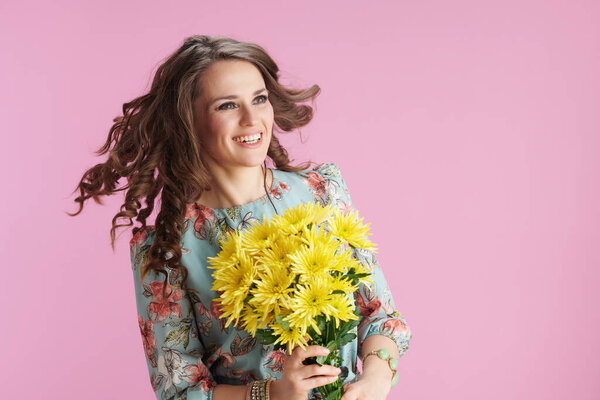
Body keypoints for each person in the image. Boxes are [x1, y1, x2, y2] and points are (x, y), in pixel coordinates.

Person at [69, 35, 411, 400]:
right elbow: (179, 390)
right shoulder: (166, 249)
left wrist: (374, 377)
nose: (252, 119)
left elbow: (380, 315)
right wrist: (271, 393)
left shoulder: (320, 192)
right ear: (190, 121)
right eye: (227, 105)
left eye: (259, 99)